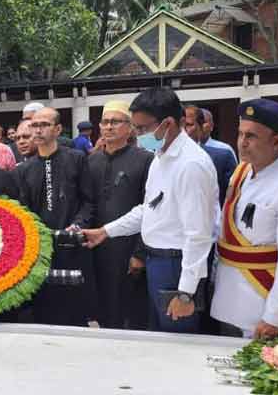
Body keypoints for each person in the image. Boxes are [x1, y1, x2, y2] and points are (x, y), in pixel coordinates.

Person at [82, 88, 218, 334]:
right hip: (157, 262)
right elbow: (150, 209)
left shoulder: (191, 165)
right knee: (160, 337)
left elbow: (198, 234)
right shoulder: (160, 157)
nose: (139, 135)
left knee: (179, 340)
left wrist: (186, 293)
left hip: (177, 266)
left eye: (143, 129)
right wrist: (106, 231)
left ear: (167, 123)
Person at [211, 99, 278, 339]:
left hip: (261, 304)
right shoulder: (242, 172)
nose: (242, 143)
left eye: (251, 137)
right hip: (228, 298)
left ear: (277, 142)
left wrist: (275, 317)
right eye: (240, 134)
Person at [15, 107, 98, 327]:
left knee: (74, 309)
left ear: (58, 129)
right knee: (43, 308)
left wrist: (77, 226)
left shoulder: (76, 159)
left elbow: (89, 200)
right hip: (40, 250)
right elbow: (24, 210)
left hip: (72, 244)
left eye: (44, 125)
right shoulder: (24, 169)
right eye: (34, 125)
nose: (38, 130)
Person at [88, 101, 154, 330]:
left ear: (130, 128)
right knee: (102, 311)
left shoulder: (145, 160)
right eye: (105, 122)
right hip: (97, 247)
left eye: (115, 122)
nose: (109, 127)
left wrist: (139, 253)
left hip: (129, 249)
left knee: (130, 313)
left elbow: (149, 209)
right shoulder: (91, 160)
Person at [186, 105, 237, 205]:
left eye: (189, 125)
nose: (184, 130)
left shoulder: (223, 155)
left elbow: (231, 197)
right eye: (180, 125)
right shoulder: (163, 158)